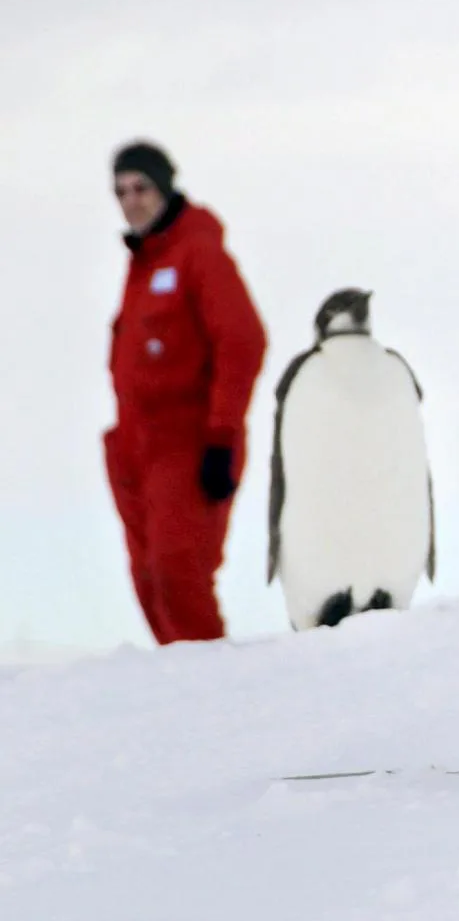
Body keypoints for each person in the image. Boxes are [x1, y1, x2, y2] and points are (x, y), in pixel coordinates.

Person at [104, 142, 267, 643]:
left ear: (165, 187)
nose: (131, 201)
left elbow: (243, 340)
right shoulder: (144, 264)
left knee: (180, 574)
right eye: (121, 191)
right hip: (136, 445)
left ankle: (215, 693)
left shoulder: (199, 253)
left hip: (189, 442)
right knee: (150, 581)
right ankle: (179, 699)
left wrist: (220, 436)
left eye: (142, 188)